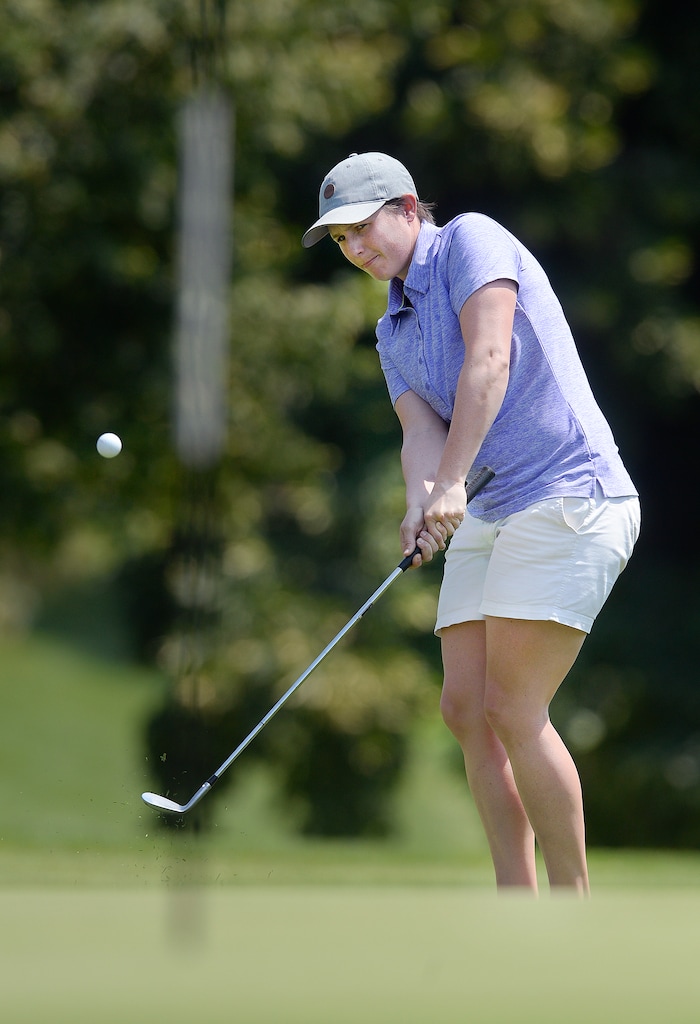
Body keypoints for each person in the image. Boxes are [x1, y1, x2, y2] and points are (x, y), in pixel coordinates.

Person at [302, 152, 640, 894]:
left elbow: (488, 361)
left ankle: (572, 909)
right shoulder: (392, 327)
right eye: (341, 240)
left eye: (363, 228)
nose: (357, 249)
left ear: (408, 208)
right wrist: (422, 501)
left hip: (569, 493)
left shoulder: (472, 243)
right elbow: (418, 431)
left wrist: (452, 482)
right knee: (464, 711)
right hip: (490, 508)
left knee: (513, 706)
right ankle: (514, 907)